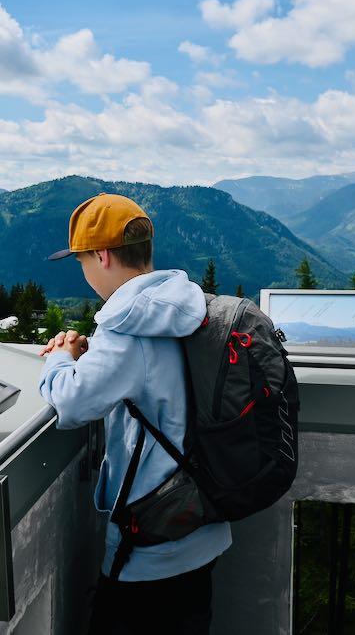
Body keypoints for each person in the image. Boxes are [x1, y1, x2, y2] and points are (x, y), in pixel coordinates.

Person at [38, 193, 231, 634]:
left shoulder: (127, 328)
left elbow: (71, 403)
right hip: (200, 523)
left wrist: (61, 356)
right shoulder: (182, 305)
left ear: (102, 256)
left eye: (81, 260)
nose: (83, 270)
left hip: (152, 548)